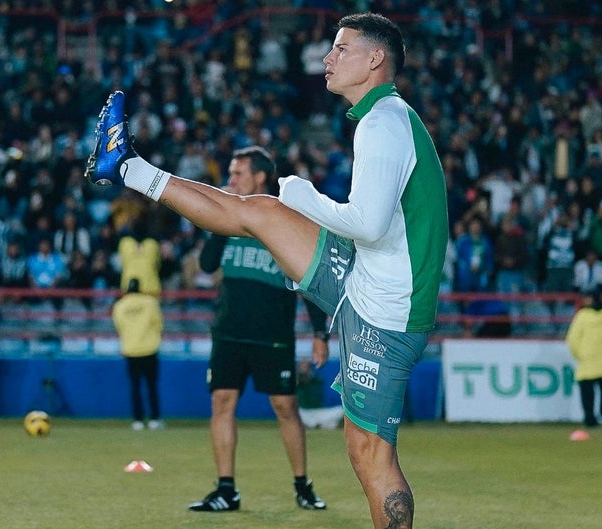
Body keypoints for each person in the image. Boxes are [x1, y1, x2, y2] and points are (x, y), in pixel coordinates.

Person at [85, 13, 448, 529]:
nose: (327, 59)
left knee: (369, 453)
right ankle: (125, 165)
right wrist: (297, 202)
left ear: (375, 59)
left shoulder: (384, 122)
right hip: (368, 281)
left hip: (388, 313)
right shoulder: (382, 118)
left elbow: (367, 224)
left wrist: (306, 197)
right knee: (257, 211)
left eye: (341, 49)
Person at [188, 145, 330, 512]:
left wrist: (320, 334)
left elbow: (307, 279)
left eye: (238, 174)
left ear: (260, 176)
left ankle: (303, 485)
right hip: (229, 329)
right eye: (230, 174)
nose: (231, 180)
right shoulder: (227, 217)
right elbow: (207, 264)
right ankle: (226, 489)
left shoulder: (283, 218)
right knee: (222, 402)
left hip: (273, 332)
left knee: (285, 406)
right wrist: (219, 219)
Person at [565, 287, 602, 428]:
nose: (585, 300)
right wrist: (580, 354)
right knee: (588, 393)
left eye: (588, 298)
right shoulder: (582, 315)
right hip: (587, 361)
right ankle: (590, 418)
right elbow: (572, 339)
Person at [111, 277, 164, 431]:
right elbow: (158, 324)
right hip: (150, 348)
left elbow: (119, 327)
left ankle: (138, 420)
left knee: (135, 387)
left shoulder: (119, 306)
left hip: (131, 350)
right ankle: (154, 419)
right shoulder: (151, 302)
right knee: (152, 386)